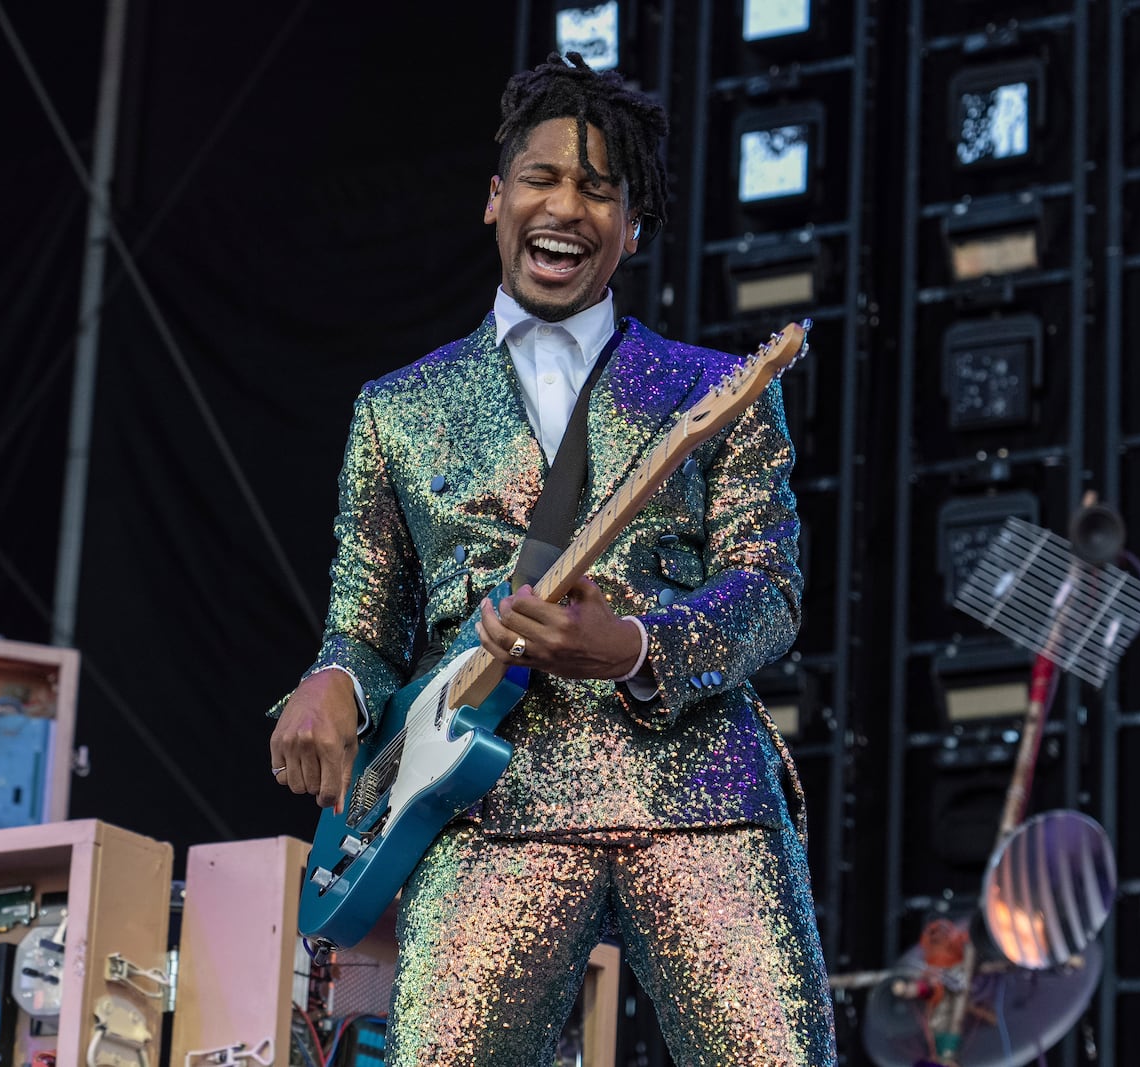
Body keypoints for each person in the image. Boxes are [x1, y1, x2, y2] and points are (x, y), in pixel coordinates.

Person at [269, 52, 837, 1066]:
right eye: (541, 177)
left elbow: (771, 586)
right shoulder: (396, 409)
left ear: (631, 227)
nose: (565, 205)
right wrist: (330, 679)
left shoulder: (715, 387)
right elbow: (366, 616)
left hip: (698, 794)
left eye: (599, 188)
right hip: (482, 802)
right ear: (495, 200)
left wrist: (629, 644)